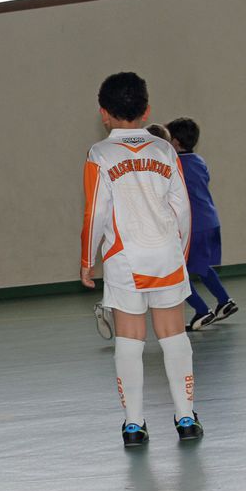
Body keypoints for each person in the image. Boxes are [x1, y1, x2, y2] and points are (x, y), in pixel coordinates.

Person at [80, 72, 202, 447]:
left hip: (124, 260)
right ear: (147, 109)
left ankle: (134, 425)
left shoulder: (100, 154)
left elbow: (95, 213)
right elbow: (181, 208)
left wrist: (87, 260)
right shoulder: (165, 150)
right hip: (165, 254)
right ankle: (185, 418)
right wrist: (178, 254)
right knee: (174, 335)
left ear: (103, 113)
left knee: (130, 341)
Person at [93, 123, 169, 341]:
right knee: (137, 292)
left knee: (138, 292)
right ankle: (107, 308)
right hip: (140, 242)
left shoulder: (157, 167)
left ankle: (108, 307)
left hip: (149, 244)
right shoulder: (120, 165)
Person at [165, 116, 238, 330]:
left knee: (177, 272)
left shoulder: (175, 166)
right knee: (202, 266)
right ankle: (224, 301)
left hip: (193, 225)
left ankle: (201, 310)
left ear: (175, 142)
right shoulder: (199, 160)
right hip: (210, 220)